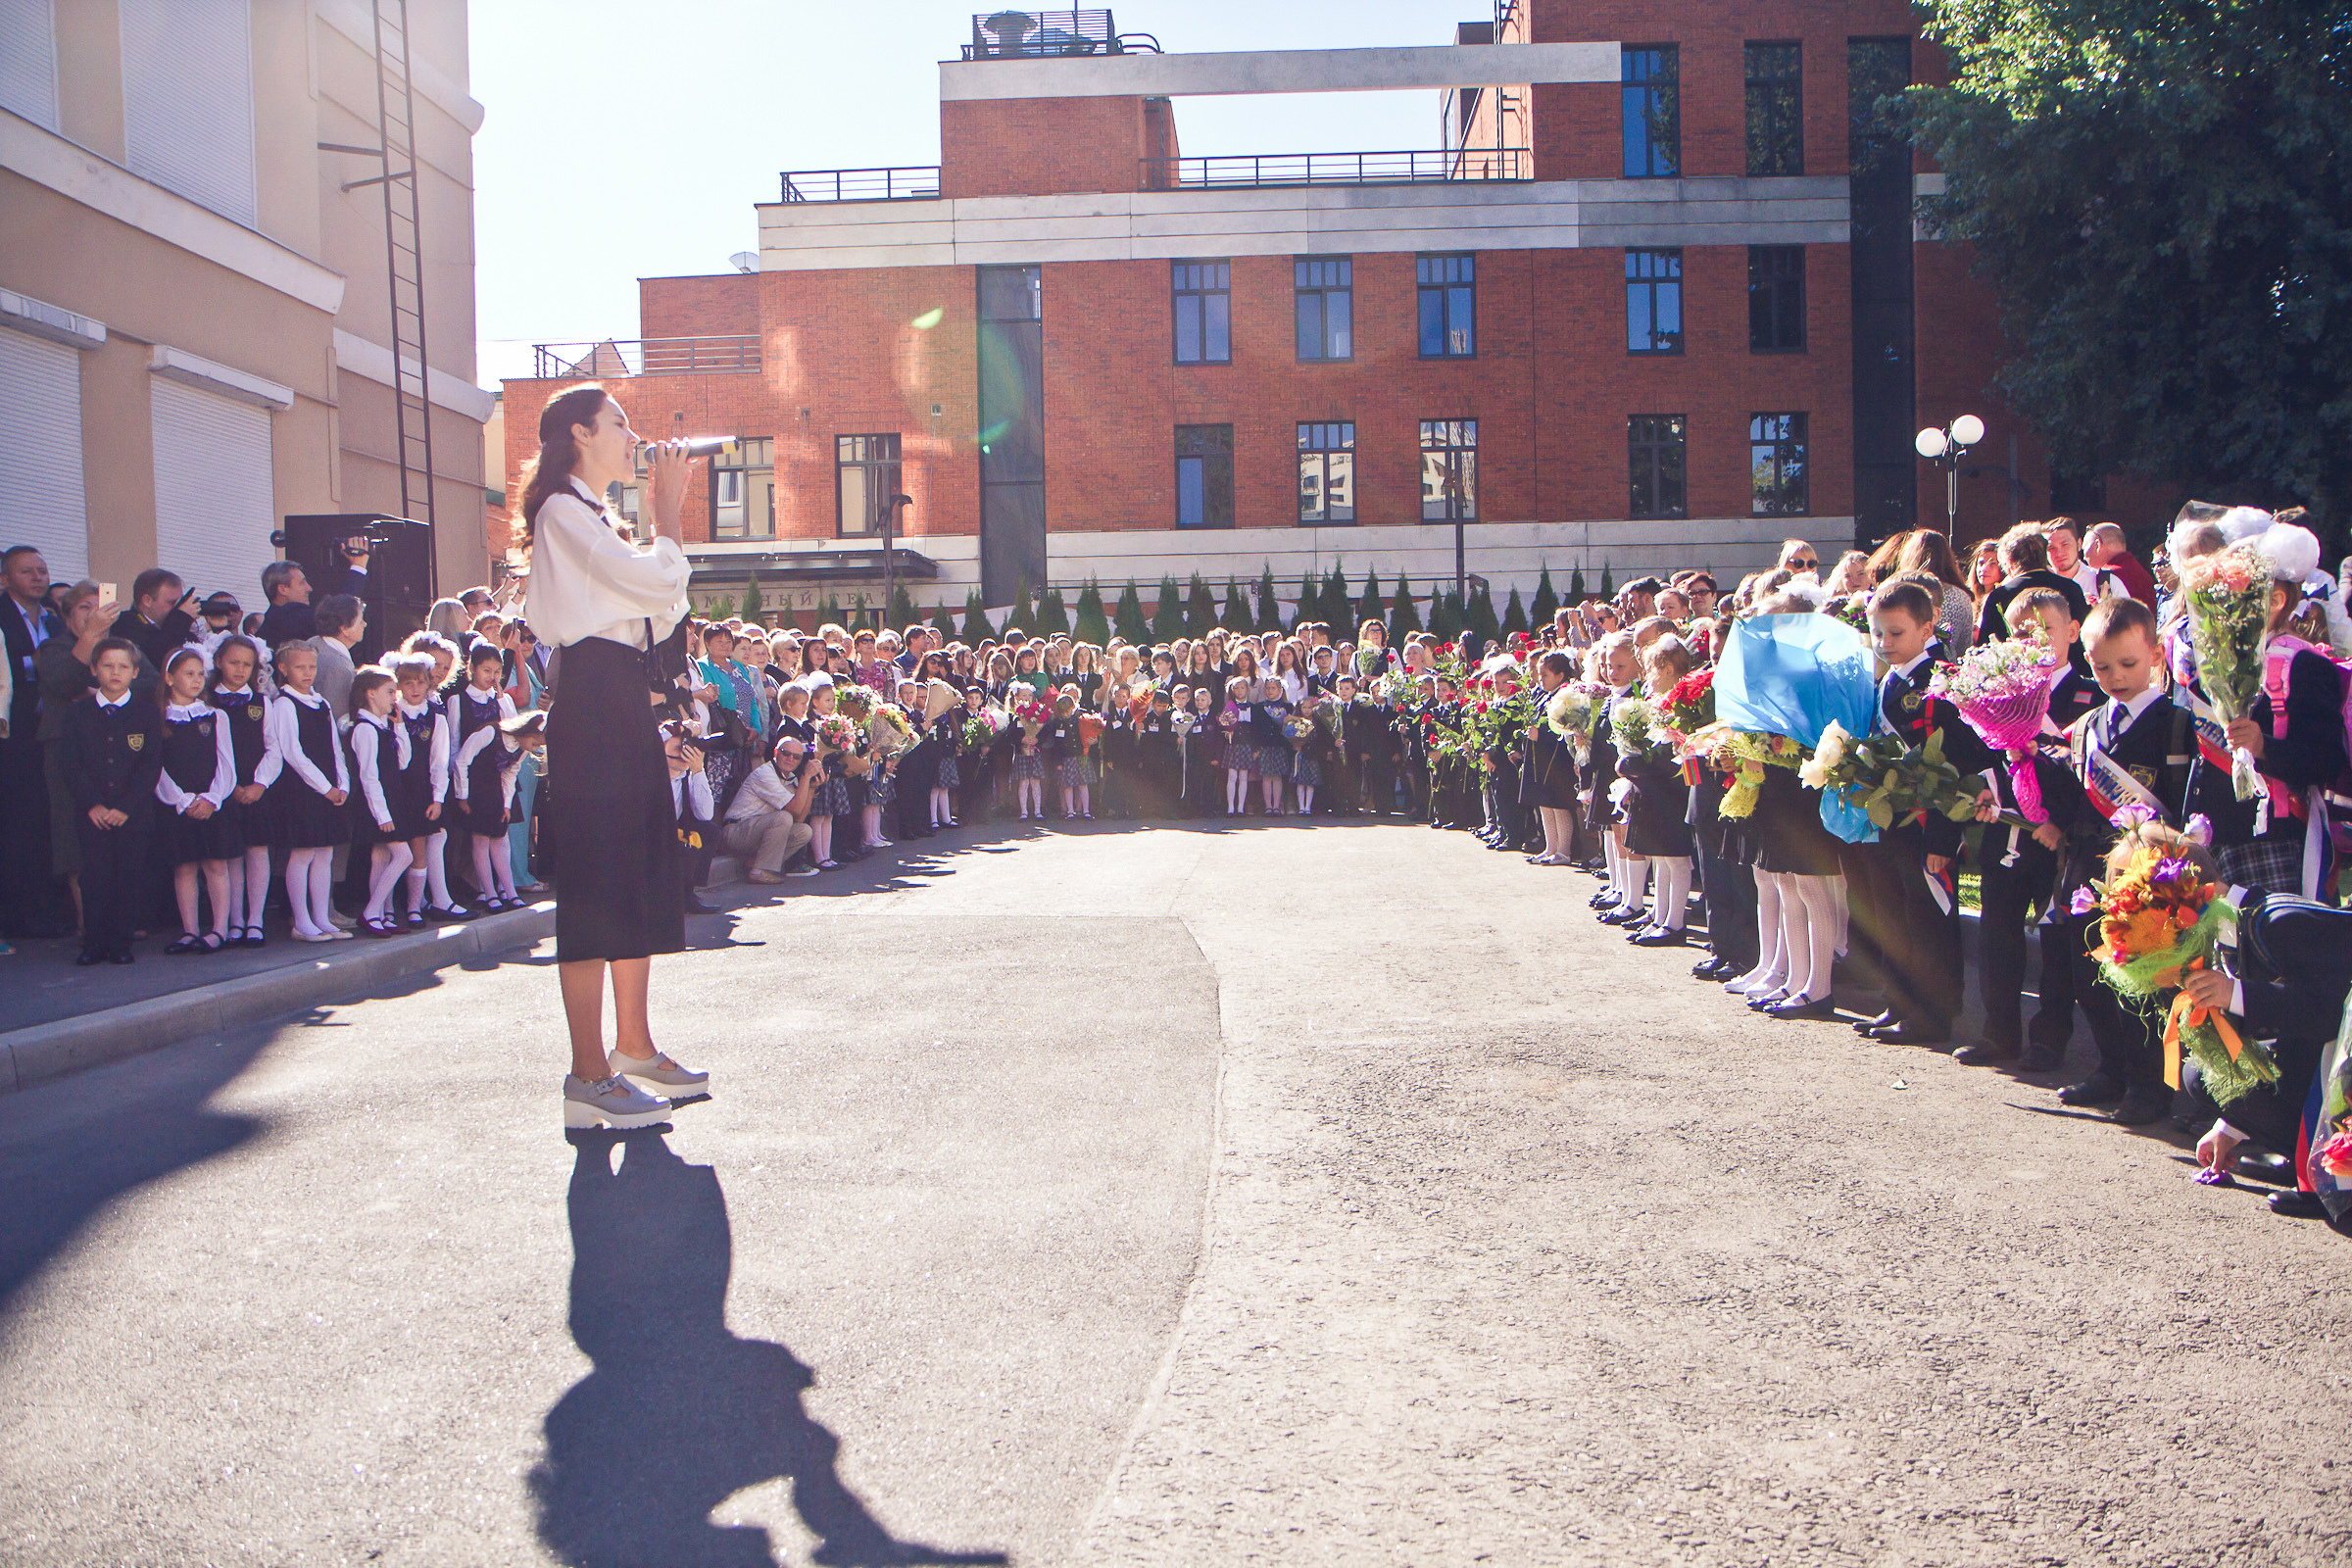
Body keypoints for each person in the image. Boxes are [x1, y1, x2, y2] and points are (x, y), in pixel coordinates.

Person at [517, 382, 708, 1130]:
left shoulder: (597, 518)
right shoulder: (564, 512)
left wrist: (660, 540)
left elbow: (668, 603)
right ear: (578, 434)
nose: (634, 437)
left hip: (620, 698)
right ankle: (588, 1074)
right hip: (592, 701)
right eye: (620, 424)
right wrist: (669, 517)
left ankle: (633, 1046)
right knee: (597, 882)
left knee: (637, 872)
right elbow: (657, 584)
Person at [60, 637, 162, 965]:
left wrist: (126, 807)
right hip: (92, 813)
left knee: (129, 875)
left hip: (133, 813)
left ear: (134, 672)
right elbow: (71, 763)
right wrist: (92, 803)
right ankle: (94, 942)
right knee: (95, 877)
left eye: (123, 666)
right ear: (94, 670)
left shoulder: (146, 713)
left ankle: (121, 942)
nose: (115, 672)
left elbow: (150, 764)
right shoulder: (78, 713)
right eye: (107, 665)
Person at [153, 647, 241, 955]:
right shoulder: (159, 717)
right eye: (188, 674)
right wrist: (183, 800)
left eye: (200, 674)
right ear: (169, 677)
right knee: (185, 868)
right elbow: (156, 767)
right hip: (178, 805)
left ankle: (219, 929)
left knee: (216, 865)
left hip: (211, 804)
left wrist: (212, 798)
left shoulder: (216, 716)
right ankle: (190, 931)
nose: (196, 680)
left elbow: (226, 762)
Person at [2, 544, 66, 942]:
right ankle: (19, 912)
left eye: (42, 570)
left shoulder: (55, 621)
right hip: (15, 736)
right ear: (5, 578)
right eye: (27, 571)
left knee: (48, 820)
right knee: (18, 824)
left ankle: (47, 906)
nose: (39, 577)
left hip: (53, 733)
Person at [269, 642, 353, 943]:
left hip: (330, 789)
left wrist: (342, 783)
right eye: (300, 667)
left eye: (311, 667)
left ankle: (321, 917)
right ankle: (301, 921)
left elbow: (334, 747)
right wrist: (325, 787)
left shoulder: (322, 704)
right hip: (301, 790)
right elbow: (293, 753)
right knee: (302, 853)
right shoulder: (284, 704)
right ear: (283, 669)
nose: (307, 673)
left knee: (324, 853)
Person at [205, 634, 278, 948]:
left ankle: (255, 920)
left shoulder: (261, 702)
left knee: (257, 850)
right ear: (219, 661)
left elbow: (273, 747)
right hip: (223, 790)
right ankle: (234, 920)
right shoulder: (208, 702)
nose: (239, 669)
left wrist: (260, 783)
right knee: (231, 854)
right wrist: (230, 786)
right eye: (233, 662)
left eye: (246, 665)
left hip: (256, 789)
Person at [450, 642, 524, 912]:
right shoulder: (458, 701)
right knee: (479, 837)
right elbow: (455, 745)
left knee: (500, 834)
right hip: (474, 779)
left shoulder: (501, 700)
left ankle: (507, 888)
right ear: (472, 669)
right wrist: (460, 789)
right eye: (486, 670)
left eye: (496, 671)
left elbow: (514, 737)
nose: (492, 677)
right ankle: (486, 890)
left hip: (499, 775)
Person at [110, 567, 197, 674]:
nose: (178, 607)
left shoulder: (177, 625)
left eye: (180, 601)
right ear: (147, 601)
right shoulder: (124, 624)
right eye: (172, 602)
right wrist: (182, 618)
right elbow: (157, 658)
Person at [307, 594, 366, 718]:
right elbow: (339, 719)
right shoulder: (339, 668)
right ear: (344, 628)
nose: (364, 624)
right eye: (360, 620)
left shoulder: (313, 642)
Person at [2084, 522, 2158, 607]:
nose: (2084, 556)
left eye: (2084, 547)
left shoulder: (2108, 576)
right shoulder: (2138, 570)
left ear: (2098, 545)